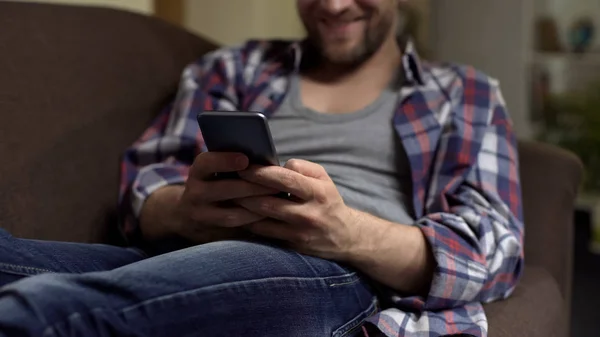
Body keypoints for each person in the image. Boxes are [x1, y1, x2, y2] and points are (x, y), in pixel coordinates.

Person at [0, 0, 524, 336]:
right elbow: (148, 180)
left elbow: (493, 247)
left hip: (332, 271)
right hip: (183, 252)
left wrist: (345, 233)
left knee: (53, 311)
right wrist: (181, 210)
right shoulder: (234, 68)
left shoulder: (463, 92)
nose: (334, 5)